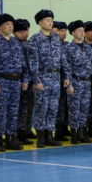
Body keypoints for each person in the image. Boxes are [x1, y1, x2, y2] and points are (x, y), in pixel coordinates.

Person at [0, 13, 29, 152]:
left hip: (15, 81)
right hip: (1, 81)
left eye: (11, 24)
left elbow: (23, 63)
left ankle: (10, 139)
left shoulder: (15, 42)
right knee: (0, 112)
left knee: (13, 112)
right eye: (7, 24)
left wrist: (24, 79)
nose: (10, 27)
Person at [29, 9, 64, 148]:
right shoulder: (35, 39)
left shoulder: (56, 38)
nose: (50, 23)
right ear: (39, 22)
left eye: (51, 20)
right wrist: (36, 80)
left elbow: (62, 59)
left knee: (53, 109)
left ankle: (50, 136)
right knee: (41, 108)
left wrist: (65, 76)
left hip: (56, 77)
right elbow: (33, 62)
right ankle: (41, 137)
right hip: (43, 77)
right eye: (47, 20)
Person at [62, 20, 92, 144]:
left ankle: (83, 133)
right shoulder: (68, 48)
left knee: (84, 109)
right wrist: (69, 84)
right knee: (74, 109)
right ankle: (74, 134)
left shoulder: (88, 48)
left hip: (87, 82)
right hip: (75, 82)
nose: (82, 33)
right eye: (79, 31)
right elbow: (66, 68)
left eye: (83, 31)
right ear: (72, 33)